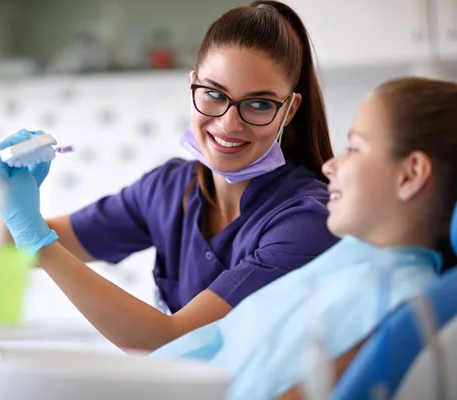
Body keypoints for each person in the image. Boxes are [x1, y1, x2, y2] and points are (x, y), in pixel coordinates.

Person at [0, 1, 338, 351]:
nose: (229, 123)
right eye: (214, 94)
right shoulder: (169, 189)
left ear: (289, 110)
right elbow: (18, 247)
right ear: (192, 87)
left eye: (259, 104)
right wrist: (14, 197)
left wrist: (38, 243)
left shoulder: (308, 220)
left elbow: (174, 338)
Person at [150, 77, 457, 400]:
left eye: (354, 147)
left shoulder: (397, 302)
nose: (329, 166)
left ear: (410, 175)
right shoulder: (351, 262)